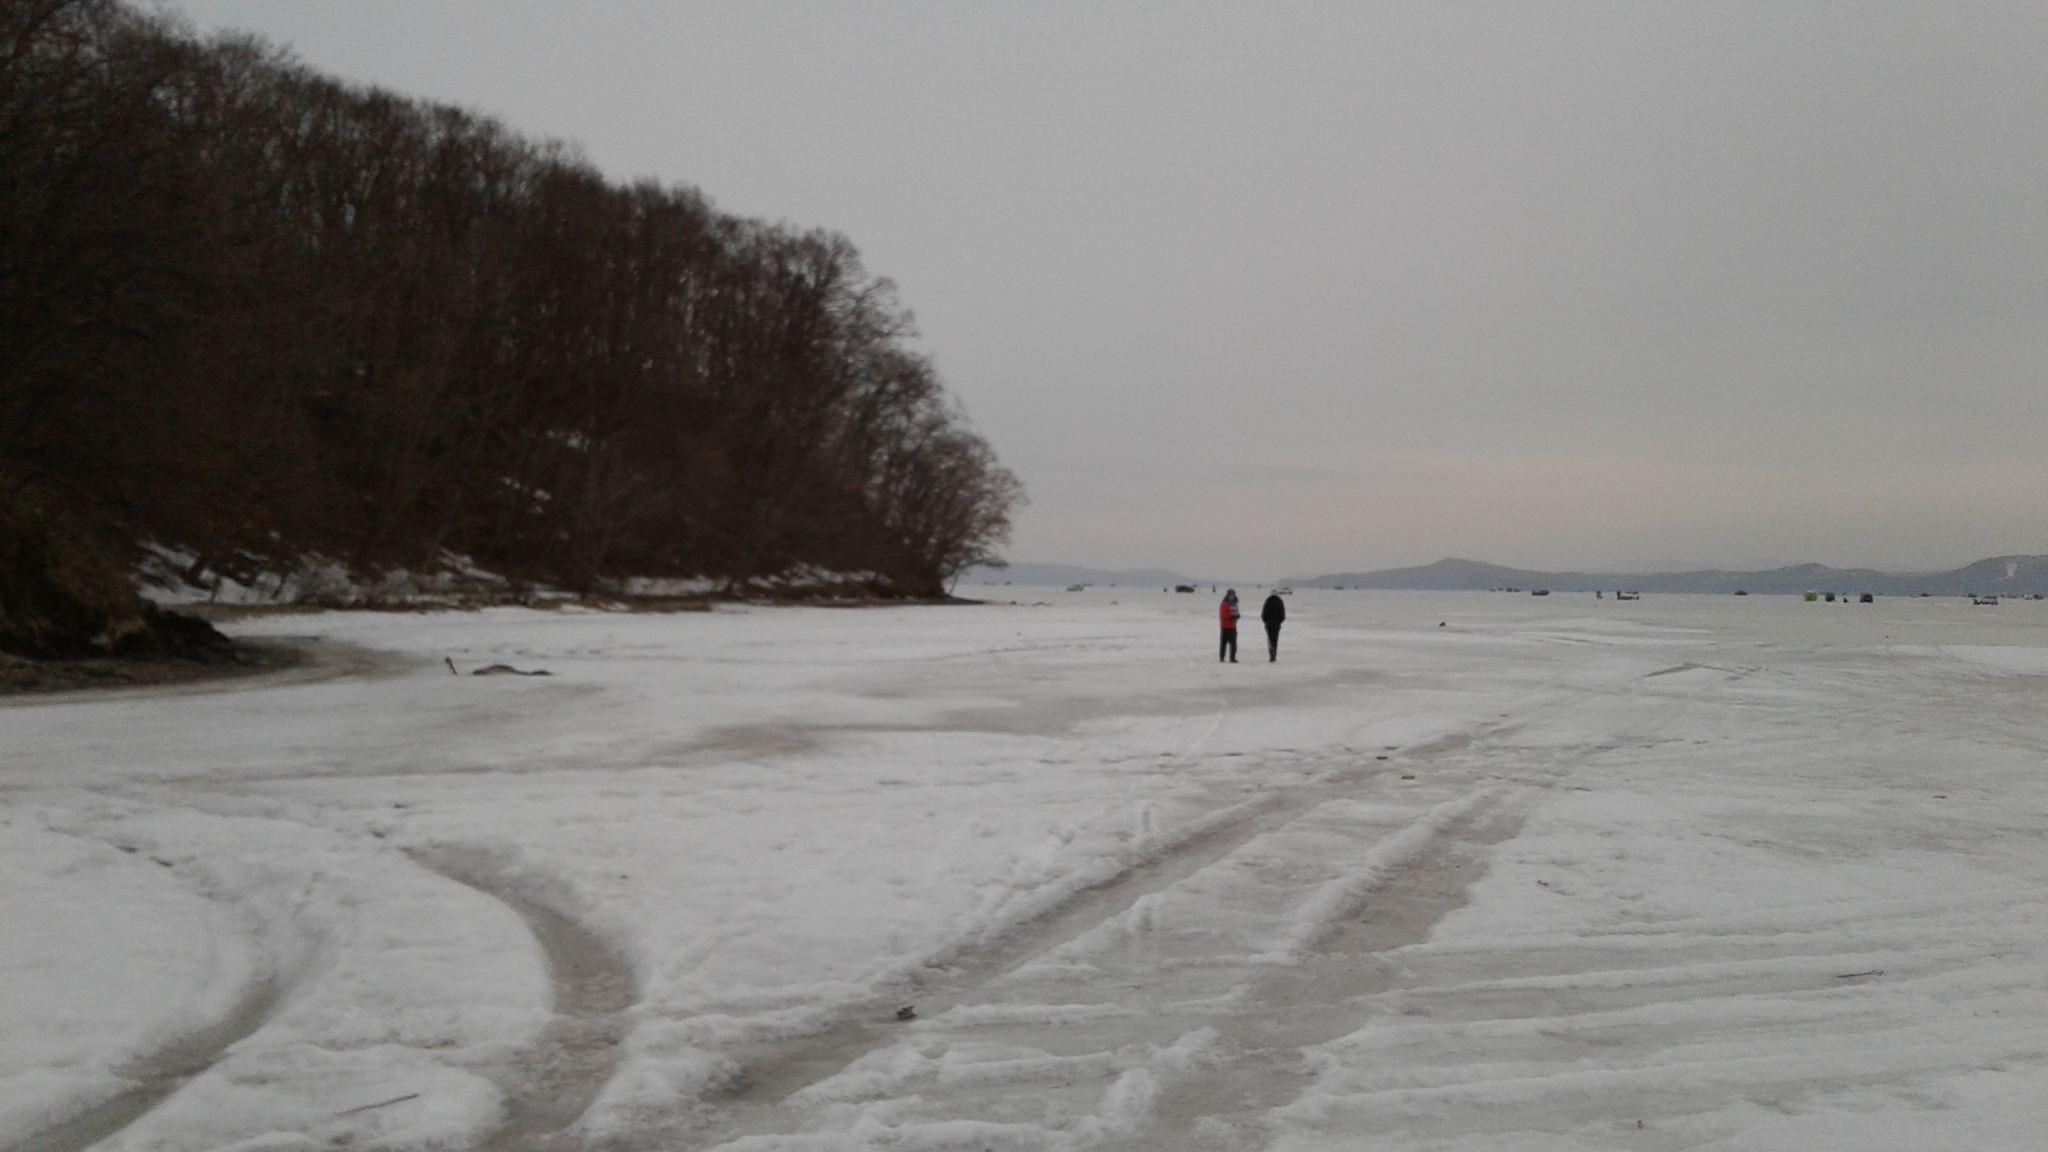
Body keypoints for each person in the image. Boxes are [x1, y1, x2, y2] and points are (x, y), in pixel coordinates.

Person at [1261, 590, 1286, 661]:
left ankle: (1271, 652)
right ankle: (1274, 653)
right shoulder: (1280, 602)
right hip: (1276, 624)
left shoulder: (1268, 601)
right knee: (1275, 639)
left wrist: (1265, 621)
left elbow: (1264, 613)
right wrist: (1280, 621)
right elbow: (1283, 614)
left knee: (1270, 638)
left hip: (1269, 623)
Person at [1218, 589, 1240, 662]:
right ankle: (1222, 657)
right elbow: (1223, 614)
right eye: (1230, 595)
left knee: (1233, 644)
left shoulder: (1234, 604)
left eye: (1232, 595)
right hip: (1225, 626)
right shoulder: (1224, 604)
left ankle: (1232, 658)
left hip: (1233, 626)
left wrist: (1237, 616)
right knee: (1224, 643)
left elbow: (1236, 612)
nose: (1231, 597)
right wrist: (1232, 616)